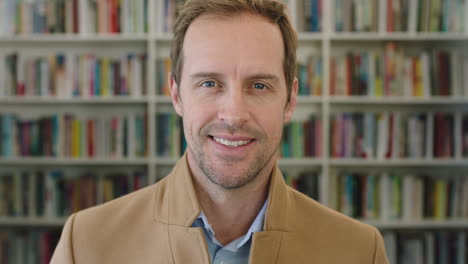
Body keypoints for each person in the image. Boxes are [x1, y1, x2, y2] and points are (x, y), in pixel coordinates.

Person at [51, 0, 389, 263]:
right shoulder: (85, 243)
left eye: (258, 85)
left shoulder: (360, 252)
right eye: (209, 83)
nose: (233, 114)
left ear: (290, 101)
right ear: (176, 94)